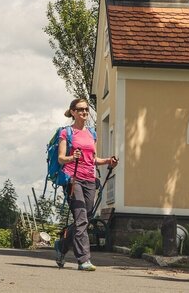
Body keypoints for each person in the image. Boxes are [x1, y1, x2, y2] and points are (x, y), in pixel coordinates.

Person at [53, 98, 118, 271]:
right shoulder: (66, 133)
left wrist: (108, 161)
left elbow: (93, 159)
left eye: (86, 110)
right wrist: (71, 157)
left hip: (90, 179)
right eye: (80, 109)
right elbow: (61, 158)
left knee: (84, 219)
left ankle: (62, 245)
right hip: (72, 179)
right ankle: (83, 259)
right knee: (81, 218)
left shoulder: (92, 133)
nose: (84, 113)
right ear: (73, 112)